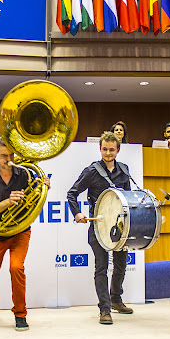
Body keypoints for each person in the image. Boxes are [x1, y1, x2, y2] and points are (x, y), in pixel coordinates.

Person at [0, 137, 50, 331]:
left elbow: (34, 198)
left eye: (11, 155)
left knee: (16, 268)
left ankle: (20, 313)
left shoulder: (25, 173)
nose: (9, 159)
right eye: (3, 156)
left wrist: (43, 186)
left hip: (20, 232)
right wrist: (8, 202)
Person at [67, 131, 133, 325]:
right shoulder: (92, 171)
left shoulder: (124, 170)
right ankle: (104, 309)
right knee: (101, 266)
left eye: (111, 150)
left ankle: (116, 299)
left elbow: (127, 197)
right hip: (98, 226)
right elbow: (72, 193)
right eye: (104, 149)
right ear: (100, 148)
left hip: (120, 227)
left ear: (118, 150)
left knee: (121, 264)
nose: (108, 153)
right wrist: (77, 213)